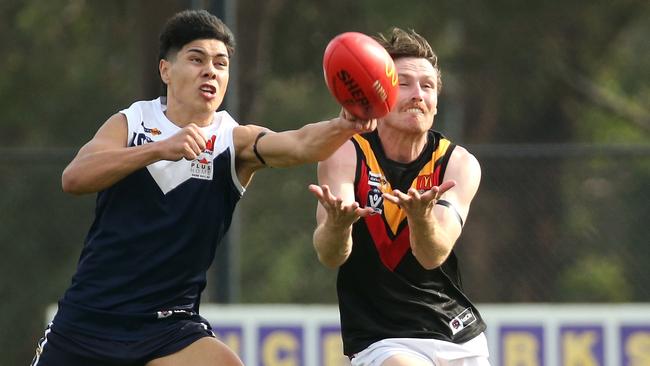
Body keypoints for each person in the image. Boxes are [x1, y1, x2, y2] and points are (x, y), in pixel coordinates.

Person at [31, 9, 375, 366]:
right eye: (196, 59)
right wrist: (159, 149)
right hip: (89, 321)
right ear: (165, 69)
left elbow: (301, 144)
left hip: (169, 327)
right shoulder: (130, 123)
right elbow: (74, 178)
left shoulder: (234, 141)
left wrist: (345, 124)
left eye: (221, 63)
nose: (211, 70)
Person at [308, 27, 490, 366]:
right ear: (377, 92)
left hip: (457, 332)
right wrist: (337, 225)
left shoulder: (458, 163)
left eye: (428, 86)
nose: (418, 94)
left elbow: (432, 256)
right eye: (404, 83)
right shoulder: (346, 153)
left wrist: (421, 220)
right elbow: (330, 256)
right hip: (382, 338)